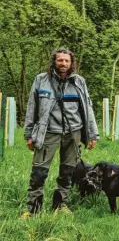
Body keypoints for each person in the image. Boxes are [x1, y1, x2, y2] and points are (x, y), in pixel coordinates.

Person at [21, 49, 99, 218]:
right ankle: (33, 209)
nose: (63, 64)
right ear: (54, 62)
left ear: (71, 63)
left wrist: (93, 134)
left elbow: (87, 108)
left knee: (68, 172)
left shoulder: (79, 82)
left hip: (73, 133)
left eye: (66, 61)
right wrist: (29, 134)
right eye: (60, 61)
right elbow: (31, 108)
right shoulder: (41, 80)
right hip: (48, 133)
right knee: (39, 172)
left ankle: (60, 204)